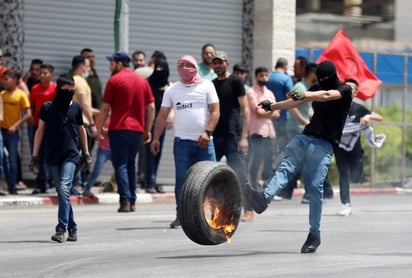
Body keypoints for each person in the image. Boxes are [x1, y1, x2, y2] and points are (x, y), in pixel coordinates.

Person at [249, 60, 352, 254]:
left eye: (324, 79)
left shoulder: (343, 89)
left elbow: (328, 95)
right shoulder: (317, 87)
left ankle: (315, 234)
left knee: (314, 187)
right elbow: (297, 101)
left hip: (324, 144)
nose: (322, 82)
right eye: (319, 79)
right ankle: (264, 198)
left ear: (332, 76)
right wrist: (273, 106)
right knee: (285, 168)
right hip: (305, 137)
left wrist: (306, 93)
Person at [150, 54, 220, 228]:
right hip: (182, 143)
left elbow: (215, 111)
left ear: (195, 67)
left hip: (204, 141)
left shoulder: (207, 86)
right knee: (182, 180)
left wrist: (207, 132)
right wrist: (156, 138)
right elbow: (162, 115)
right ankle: (181, 215)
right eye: (180, 65)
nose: (184, 68)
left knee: (210, 179)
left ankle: (212, 215)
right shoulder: (172, 90)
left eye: (188, 65)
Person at [30, 74, 91, 243]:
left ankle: (61, 228)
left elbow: (81, 130)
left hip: (71, 155)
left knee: (64, 187)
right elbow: (40, 131)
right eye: (66, 91)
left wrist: (86, 154)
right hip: (52, 156)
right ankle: (73, 227)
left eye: (72, 91)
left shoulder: (76, 108)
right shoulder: (47, 108)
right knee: (62, 192)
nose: (69, 94)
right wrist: (35, 156)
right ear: (58, 90)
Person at [98, 50, 155, 213]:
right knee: (131, 164)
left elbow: (104, 107)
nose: (110, 66)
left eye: (111, 63)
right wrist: (147, 129)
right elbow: (151, 107)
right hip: (136, 130)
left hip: (119, 128)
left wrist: (100, 126)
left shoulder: (114, 80)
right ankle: (132, 200)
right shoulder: (142, 81)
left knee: (121, 165)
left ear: (119, 63)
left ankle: (125, 201)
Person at [210, 50, 251, 223]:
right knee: (210, 176)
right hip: (215, 136)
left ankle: (249, 209)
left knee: (240, 175)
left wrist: (244, 137)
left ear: (227, 63)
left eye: (221, 62)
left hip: (233, 137)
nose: (218, 65)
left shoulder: (236, 81)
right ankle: (215, 210)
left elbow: (246, 110)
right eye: (215, 63)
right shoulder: (210, 84)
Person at [334, 78, 383, 216]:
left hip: (355, 147)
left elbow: (380, 118)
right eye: (345, 88)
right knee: (343, 174)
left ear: (355, 93)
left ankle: (356, 177)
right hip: (339, 147)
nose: (348, 91)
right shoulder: (335, 107)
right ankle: (346, 204)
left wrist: (367, 117)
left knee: (356, 176)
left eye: (351, 89)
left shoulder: (358, 108)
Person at [245, 66, 279, 222]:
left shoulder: (269, 93)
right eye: (261, 75)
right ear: (256, 76)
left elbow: (277, 112)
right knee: (255, 163)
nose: (264, 78)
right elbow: (258, 112)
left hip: (269, 133)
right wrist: (271, 111)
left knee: (268, 163)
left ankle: (263, 190)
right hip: (256, 133)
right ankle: (253, 190)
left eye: (266, 75)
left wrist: (269, 111)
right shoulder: (251, 92)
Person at [144, 58, 173, 194]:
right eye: (158, 68)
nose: (160, 71)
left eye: (163, 68)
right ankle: (148, 181)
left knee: (158, 153)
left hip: (161, 124)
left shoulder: (169, 86)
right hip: (150, 123)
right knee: (150, 153)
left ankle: (153, 179)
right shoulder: (148, 84)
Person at [1, 69, 31, 195]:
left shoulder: (21, 95)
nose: (4, 81)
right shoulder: (2, 94)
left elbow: (28, 114)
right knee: (2, 157)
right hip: (2, 130)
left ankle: (12, 186)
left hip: (13, 132)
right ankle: (3, 184)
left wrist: (15, 125)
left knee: (12, 159)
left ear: (14, 80)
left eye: (7, 79)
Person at [71, 55, 98, 190]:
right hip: (81, 123)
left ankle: (77, 182)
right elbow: (84, 105)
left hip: (81, 120)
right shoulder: (79, 82)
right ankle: (75, 183)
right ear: (81, 66)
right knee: (80, 154)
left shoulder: (79, 80)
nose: (89, 68)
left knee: (80, 153)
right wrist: (93, 124)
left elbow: (87, 105)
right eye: (87, 66)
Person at [29, 64, 57, 194]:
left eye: (45, 73)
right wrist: (29, 116)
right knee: (38, 155)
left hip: (51, 127)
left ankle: (52, 181)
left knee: (50, 155)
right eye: (41, 73)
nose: (42, 75)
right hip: (37, 126)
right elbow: (31, 105)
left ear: (51, 75)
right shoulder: (35, 88)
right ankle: (41, 184)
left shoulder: (55, 88)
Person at [266, 57, 293, 170]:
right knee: (282, 146)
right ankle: (276, 168)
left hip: (268, 117)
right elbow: (291, 97)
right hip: (283, 117)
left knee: (268, 147)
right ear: (285, 66)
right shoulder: (286, 79)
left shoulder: (268, 77)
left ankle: (266, 171)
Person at [83, 115, 111, 198]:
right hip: (103, 148)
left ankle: (125, 188)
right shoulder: (101, 117)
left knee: (121, 169)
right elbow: (95, 132)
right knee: (97, 169)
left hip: (115, 148)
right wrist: (101, 131)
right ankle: (87, 188)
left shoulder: (117, 117)